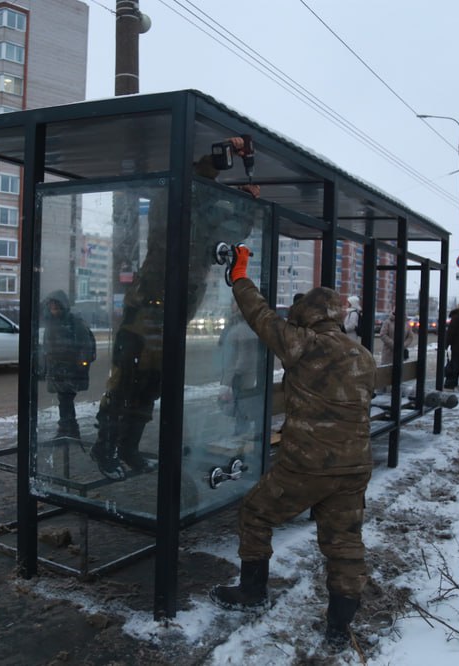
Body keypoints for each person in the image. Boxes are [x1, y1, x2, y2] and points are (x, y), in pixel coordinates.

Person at [210, 245, 377, 653]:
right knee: (344, 544)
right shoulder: (364, 356)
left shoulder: (304, 345)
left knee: (255, 511)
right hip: (354, 466)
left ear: (309, 317)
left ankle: (252, 592)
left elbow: (259, 314)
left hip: (307, 465)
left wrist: (239, 276)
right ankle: (339, 629)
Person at [90, 137, 261, 480]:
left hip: (175, 314)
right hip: (146, 310)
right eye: (203, 193)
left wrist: (247, 203)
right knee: (126, 383)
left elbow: (233, 229)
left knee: (150, 385)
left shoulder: (208, 221)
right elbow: (195, 182)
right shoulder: (169, 201)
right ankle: (104, 449)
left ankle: (128, 449)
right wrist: (220, 157)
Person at [41, 291, 96, 439]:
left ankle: (67, 429)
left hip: (70, 369)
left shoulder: (75, 322)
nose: (54, 311)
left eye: (57, 308)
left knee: (65, 399)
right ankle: (69, 429)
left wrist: (81, 365)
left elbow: (85, 345)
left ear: (63, 307)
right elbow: (47, 347)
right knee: (63, 399)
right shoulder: (51, 324)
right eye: (52, 308)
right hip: (57, 370)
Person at [218, 300, 261, 435]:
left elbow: (245, 356)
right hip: (241, 373)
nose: (232, 307)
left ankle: (240, 432)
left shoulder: (242, 329)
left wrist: (237, 373)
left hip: (239, 374)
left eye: (235, 304)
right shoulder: (243, 327)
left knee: (239, 404)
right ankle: (240, 430)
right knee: (238, 404)